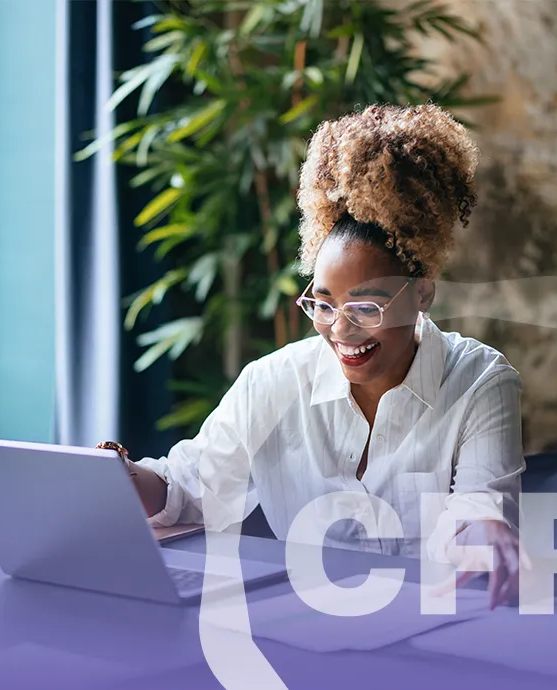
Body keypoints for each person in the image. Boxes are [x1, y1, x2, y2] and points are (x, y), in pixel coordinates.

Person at [127, 103, 525, 607]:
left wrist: (484, 530)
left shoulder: (479, 381)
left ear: (422, 294)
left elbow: (478, 510)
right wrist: (114, 472)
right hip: (301, 623)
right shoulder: (271, 383)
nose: (340, 329)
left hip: (432, 617)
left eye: (366, 306)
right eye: (323, 303)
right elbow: (184, 490)